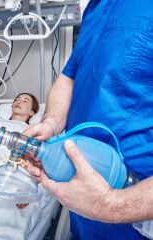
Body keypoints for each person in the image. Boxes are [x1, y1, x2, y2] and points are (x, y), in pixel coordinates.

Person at [22, 0, 153, 239]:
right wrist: (51, 122)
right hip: (82, 202)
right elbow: (69, 76)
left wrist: (112, 204)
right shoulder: (96, 8)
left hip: (132, 205)